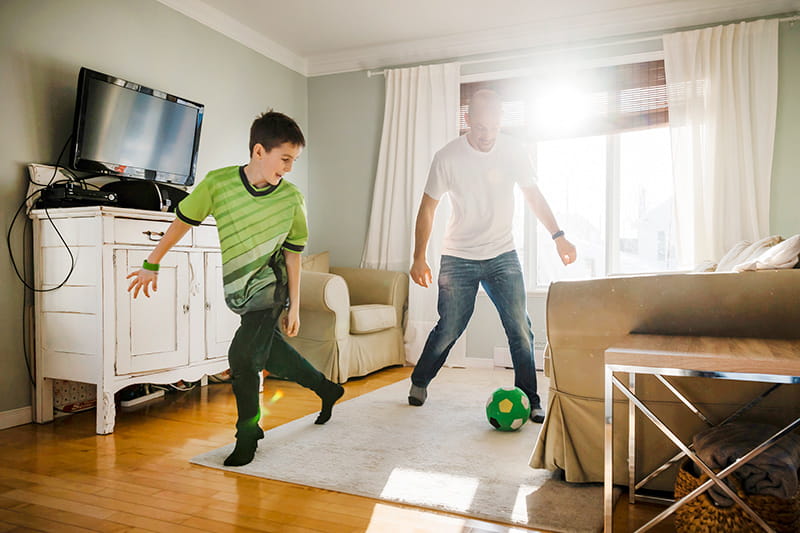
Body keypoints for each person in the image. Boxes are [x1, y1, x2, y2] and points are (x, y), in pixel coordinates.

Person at [127, 111, 344, 466]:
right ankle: (327, 389)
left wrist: (294, 306)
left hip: (270, 288)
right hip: (238, 291)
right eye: (285, 159)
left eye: (294, 161)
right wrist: (152, 262)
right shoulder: (218, 184)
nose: (289, 168)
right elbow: (182, 222)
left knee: (242, 359)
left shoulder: (291, 199)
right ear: (259, 151)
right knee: (270, 353)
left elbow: (292, 258)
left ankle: (248, 433)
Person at [408, 89, 577, 423]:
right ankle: (419, 381)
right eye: (480, 127)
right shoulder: (447, 157)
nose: (486, 135)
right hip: (458, 257)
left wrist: (559, 236)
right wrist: (419, 256)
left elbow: (533, 196)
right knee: (449, 328)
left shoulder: (514, 150)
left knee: (520, 328)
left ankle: (530, 397)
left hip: (502, 253)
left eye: (493, 126)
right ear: (468, 120)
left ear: (501, 120)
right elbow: (428, 208)